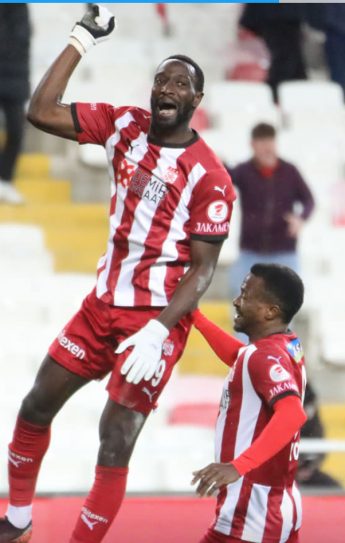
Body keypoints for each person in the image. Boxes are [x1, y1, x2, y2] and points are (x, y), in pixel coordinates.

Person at [0, 5, 235, 543]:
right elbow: (40, 111)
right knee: (36, 405)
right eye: (162, 79)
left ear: (196, 101)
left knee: (115, 439)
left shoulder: (210, 177)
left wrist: (157, 331)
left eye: (181, 83)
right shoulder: (124, 125)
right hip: (100, 307)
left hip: (154, 322)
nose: (168, 88)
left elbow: (202, 272)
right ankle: (17, 522)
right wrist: (81, 39)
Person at [191, 264, 307, 543]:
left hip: (252, 513)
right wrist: (195, 317)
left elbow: (292, 414)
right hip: (278, 502)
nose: (236, 301)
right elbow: (242, 358)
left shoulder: (264, 356)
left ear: (270, 311)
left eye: (245, 295)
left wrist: (237, 466)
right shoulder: (286, 344)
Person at [229, 123, 314, 298]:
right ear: (253, 145)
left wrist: (301, 218)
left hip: (284, 251)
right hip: (250, 253)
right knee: (242, 300)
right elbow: (222, 178)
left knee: (286, 302)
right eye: (262, 143)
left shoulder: (290, 171)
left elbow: (309, 200)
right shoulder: (244, 171)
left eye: (270, 142)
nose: (267, 148)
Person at [239, 4, 307, 103]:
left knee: (293, 63)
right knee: (286, 60)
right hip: (278, 14)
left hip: (281, 15)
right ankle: (270, 99)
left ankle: (292, 99)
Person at [0, 3, 30, 204]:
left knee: (16, 131)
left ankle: (5, 180)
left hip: (16, 78)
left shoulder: (21, 9)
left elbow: (23, 43)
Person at [296, 382, 342, 488]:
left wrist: (310, 467)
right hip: (286, 475)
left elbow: (320, 447)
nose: (308, 411)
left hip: (309, 473)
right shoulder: (282, 418)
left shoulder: (313, 421)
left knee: (335, 488)